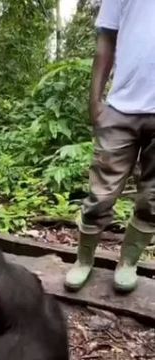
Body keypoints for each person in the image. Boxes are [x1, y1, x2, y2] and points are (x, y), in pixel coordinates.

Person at [65, 0, 155, 293]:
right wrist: (95, 101)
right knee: (101, 194)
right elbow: (105, 42)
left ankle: (128, 263)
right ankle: (84, 259)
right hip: (121, 107)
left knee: (152, 199)